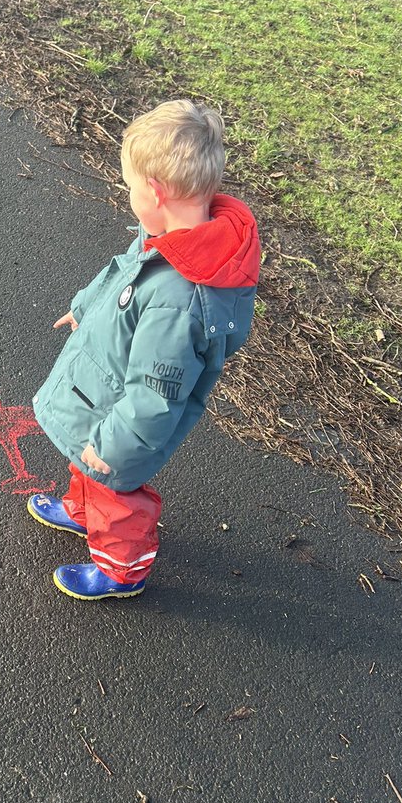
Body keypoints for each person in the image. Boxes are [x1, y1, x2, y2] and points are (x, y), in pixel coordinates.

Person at [29, 99, 261, 600]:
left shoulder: (180, 301)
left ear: (154, 192)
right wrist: (87, 306)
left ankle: (121, 568)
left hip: (124, 422)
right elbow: (122, 271)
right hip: (101, 387)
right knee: (84, 455)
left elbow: (156, 394)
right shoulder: (168, 236)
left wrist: (116, 448)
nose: (130, 195)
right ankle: (79, 508)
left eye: (131, 186)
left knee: (113, 487)